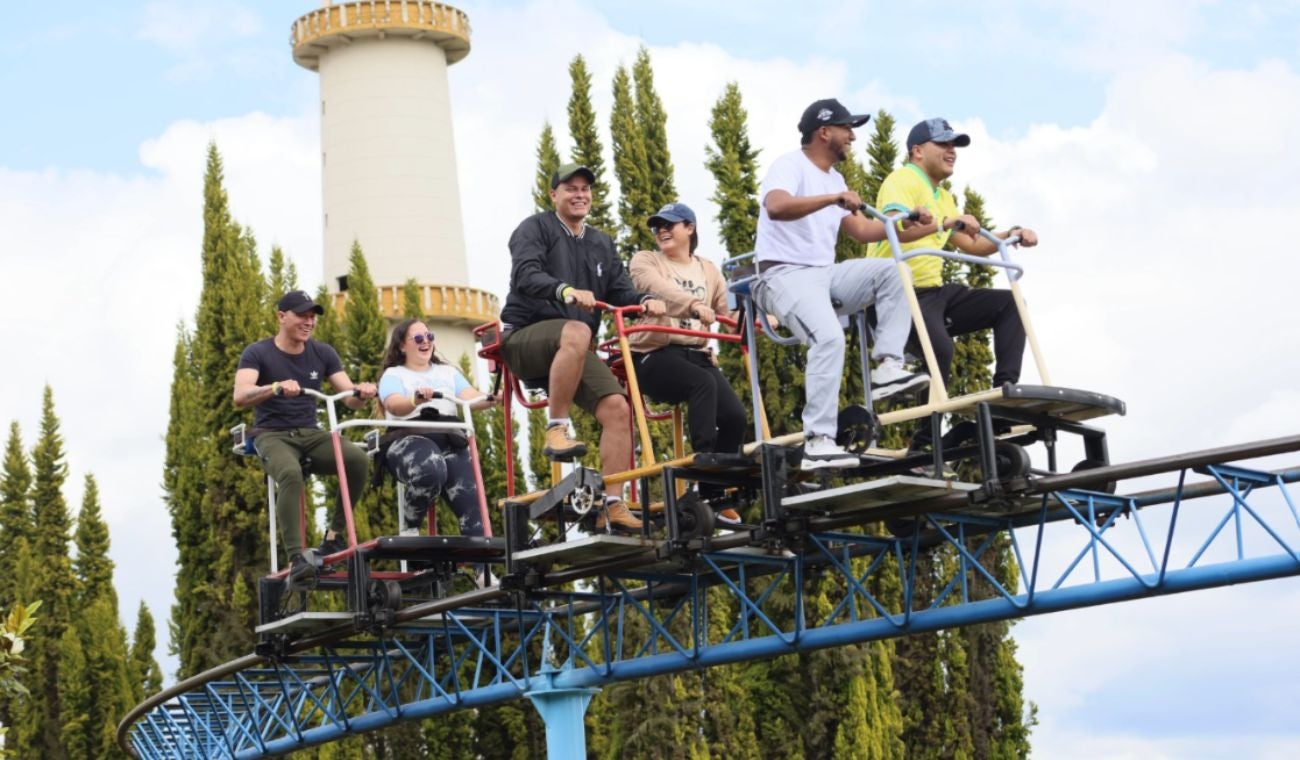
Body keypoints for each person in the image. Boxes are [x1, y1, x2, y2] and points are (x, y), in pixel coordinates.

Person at [752, 98, 932, 470]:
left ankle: (888, 366)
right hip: (782, 274)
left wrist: (908, 227)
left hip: (824, 274)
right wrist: (832, 198)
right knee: (829, 337)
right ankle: (818, 440)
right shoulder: (790, 165)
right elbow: (777, 207)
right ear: (824, 132)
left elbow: (865, 232)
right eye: (847, 129)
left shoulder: (836, 179)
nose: (852, 136)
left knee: (893, 271)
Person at [499, 163, 667, 532]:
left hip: (575, 345)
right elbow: (526, 275)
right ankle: (557, 428)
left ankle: (614, 504)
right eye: (570, 188)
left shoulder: (601, 243)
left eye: (585, 189)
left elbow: (621, 290)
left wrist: (645, 299)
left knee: (618, 408)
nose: (579, 194)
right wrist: (566, 291)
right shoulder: (534, 229)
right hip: (526, 337)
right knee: (577, 330)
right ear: (553, 195)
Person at [870, 118, 1039, 453]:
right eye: (943, 144)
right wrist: (947, 222)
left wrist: (1012, 233)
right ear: (917, 151)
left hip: (933, 291)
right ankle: (922, 443)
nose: (952, 152)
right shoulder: (902, 179)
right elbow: (896, 226)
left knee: (1010, 304)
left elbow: (974, 245)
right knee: (941, 348)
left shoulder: (943, 196)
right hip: (897, 292)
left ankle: (1004, 395)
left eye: (955, 146)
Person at [233, 290, 378, 587]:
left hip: (311, 434)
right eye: (302, 315)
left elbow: (348, 397)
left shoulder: (323, 353)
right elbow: (241, 395)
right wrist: (273, 388)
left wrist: (362, 393)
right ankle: (297, 558)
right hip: (273, 435)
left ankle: (335, 537)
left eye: (312, 316)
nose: (309, 322)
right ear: (281, 316)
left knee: (357, 459)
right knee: (290, 474)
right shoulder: (258, 353)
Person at [629, 202, 745, 524]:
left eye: (670, 225)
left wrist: (757, 318)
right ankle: (702, 464)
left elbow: (729, 311)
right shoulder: (645, 260)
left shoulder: (708, 269)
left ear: (690, 229)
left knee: (735, 417)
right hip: (654, 356)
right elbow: (657, 289)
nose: (661, 231)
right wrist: (693, 305)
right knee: (702, 383)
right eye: (657, 227)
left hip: (697, 356)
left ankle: (711, 492)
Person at [377, 319, 496, 538]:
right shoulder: (394, 375)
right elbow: (393, 404)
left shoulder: (447, 372)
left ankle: (482, 571)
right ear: (402, 346)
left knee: (472, 503)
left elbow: (471, 398)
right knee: (430, 469)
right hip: (409, 439)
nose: (426, 342)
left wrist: (493, 398)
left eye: (429, 337)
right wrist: (415, 400)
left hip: (450, 439)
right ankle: (410, 526)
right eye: (418, 338)